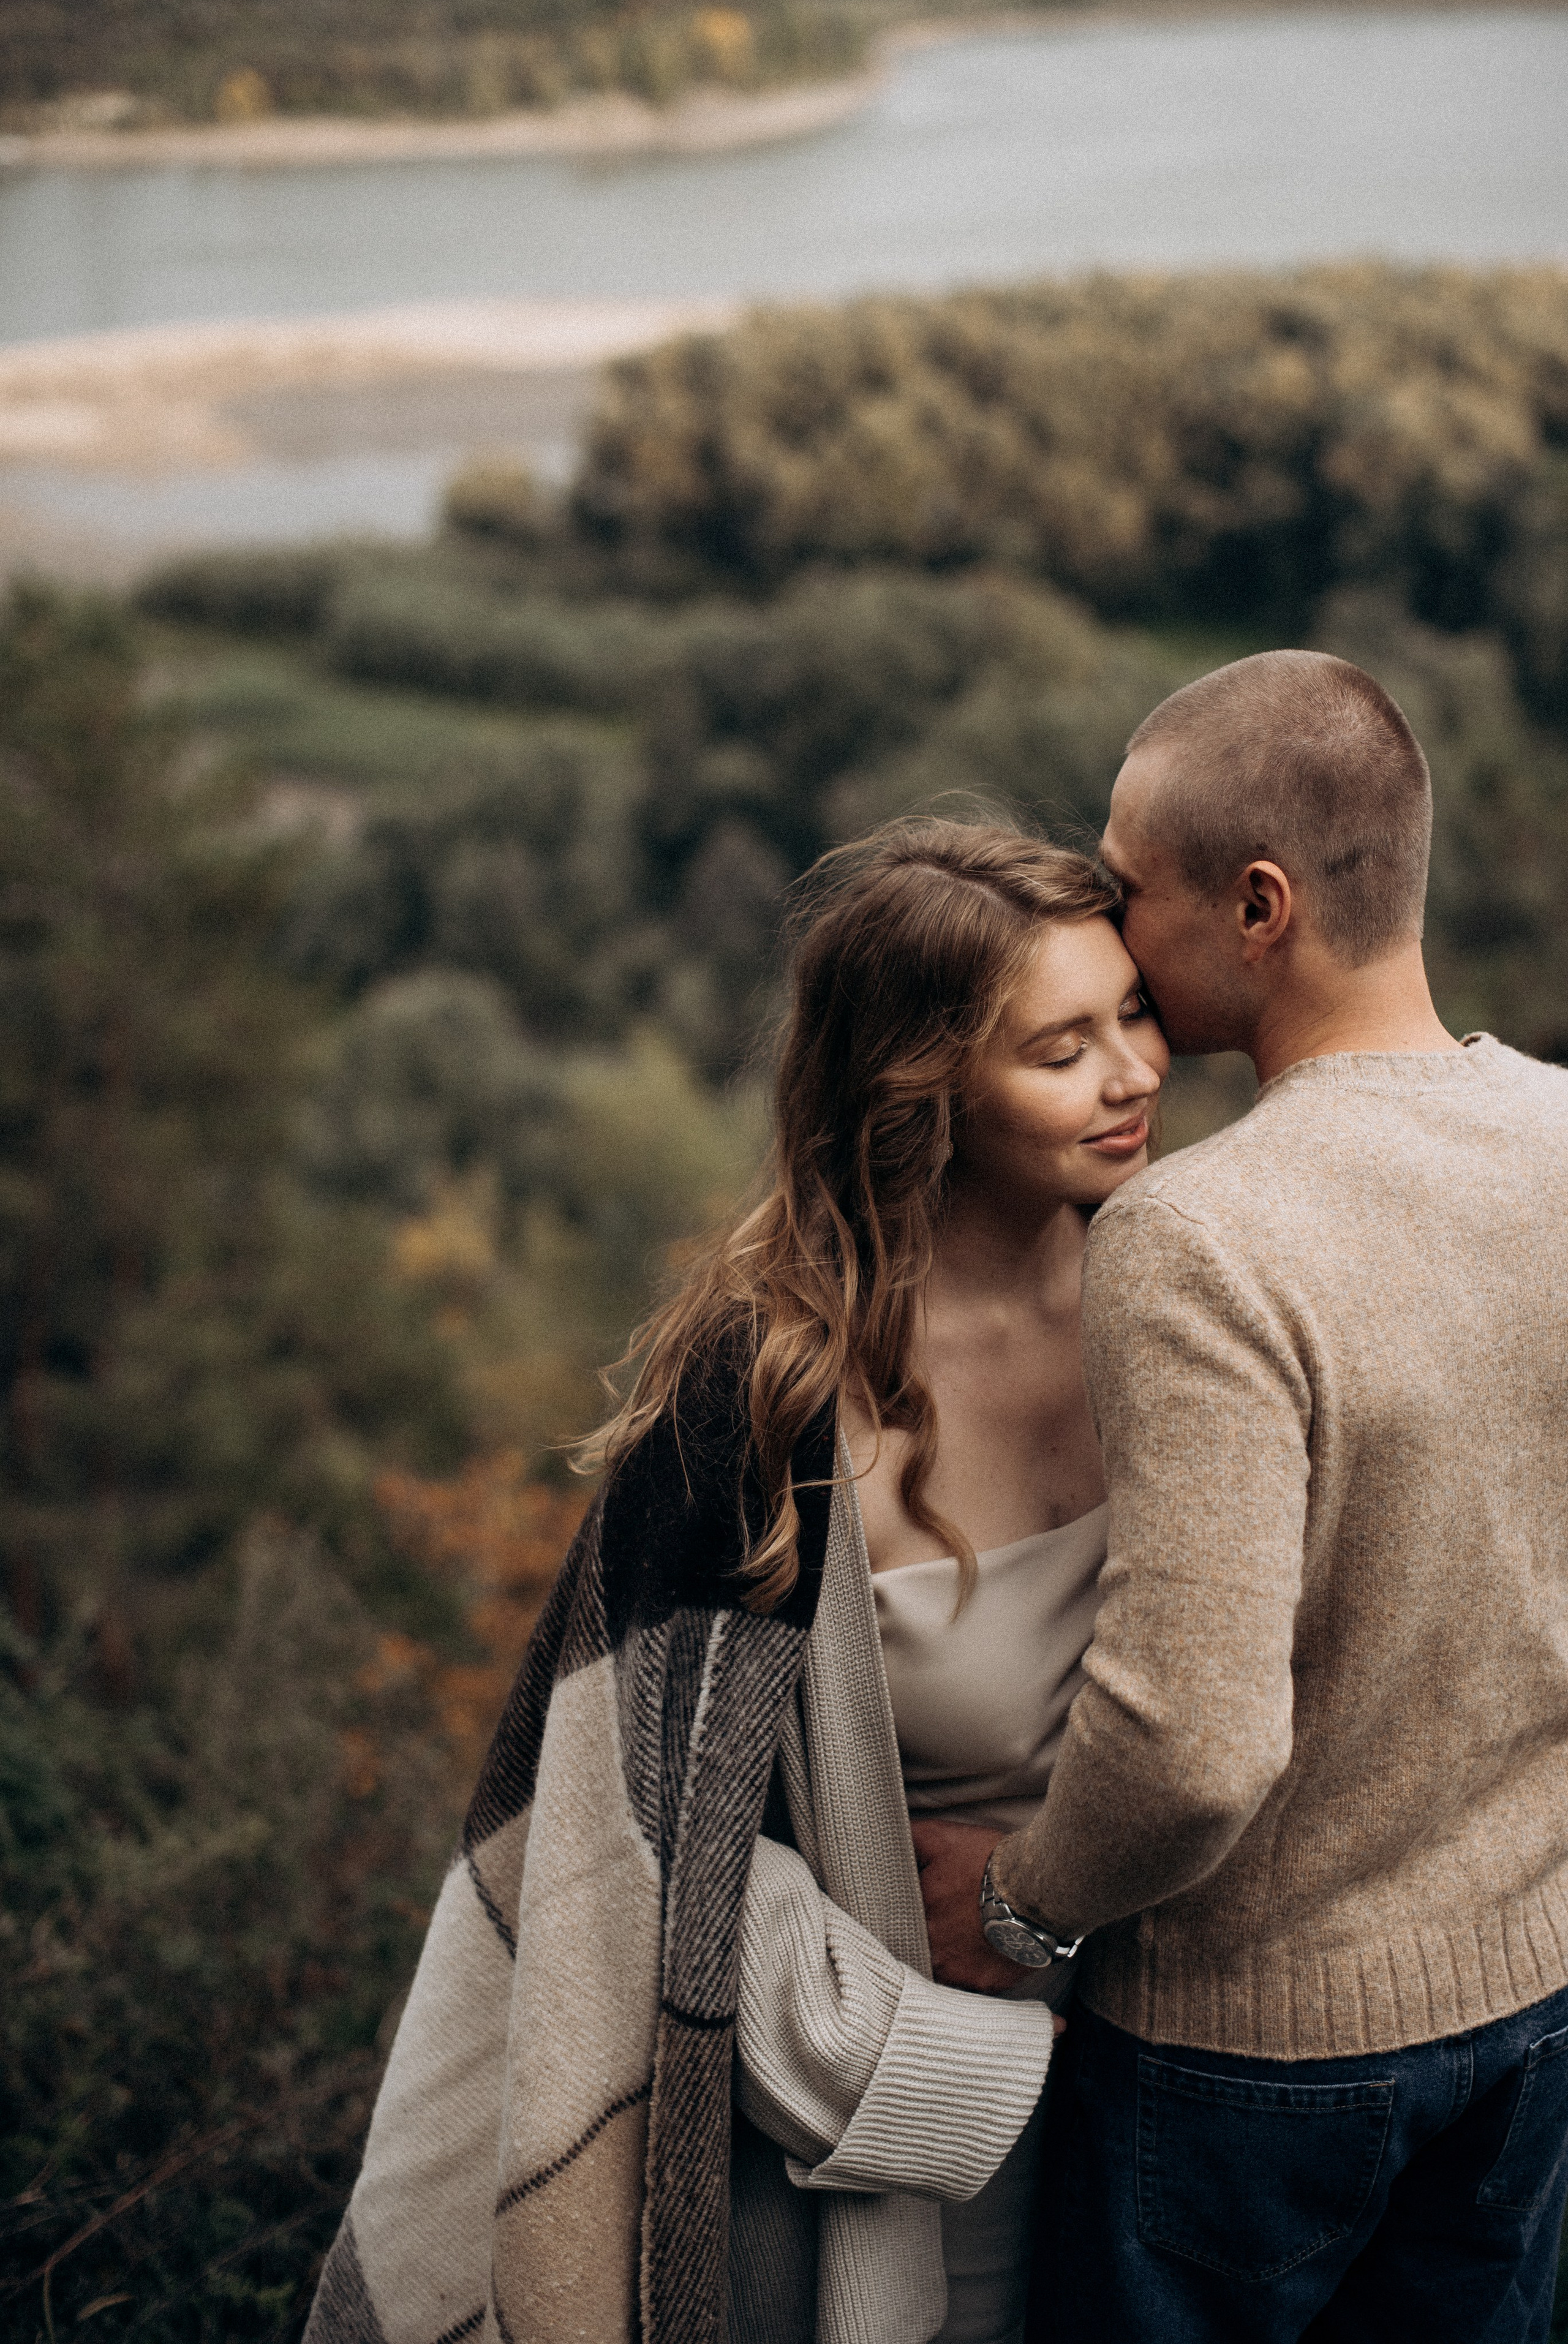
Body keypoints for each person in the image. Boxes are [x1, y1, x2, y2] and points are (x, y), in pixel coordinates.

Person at [301, 818, 1167, 2344]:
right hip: (908, 2150)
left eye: (1134, 1013)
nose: (1133, 1073)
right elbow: (628, 1844)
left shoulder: (1184, 1299)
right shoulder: (766, 1397)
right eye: (1060, 1048)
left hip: (1192, 2091)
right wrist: (926, 2042)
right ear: (924, 1088)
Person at [916, 651, 1568, 2342]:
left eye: (1132, 888)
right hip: (1539, 2008)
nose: (1116, 929)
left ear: (1259, 904)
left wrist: (1017, 1907)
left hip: (1249, 2062)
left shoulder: (1201, 1238)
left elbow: (1193, 1739)